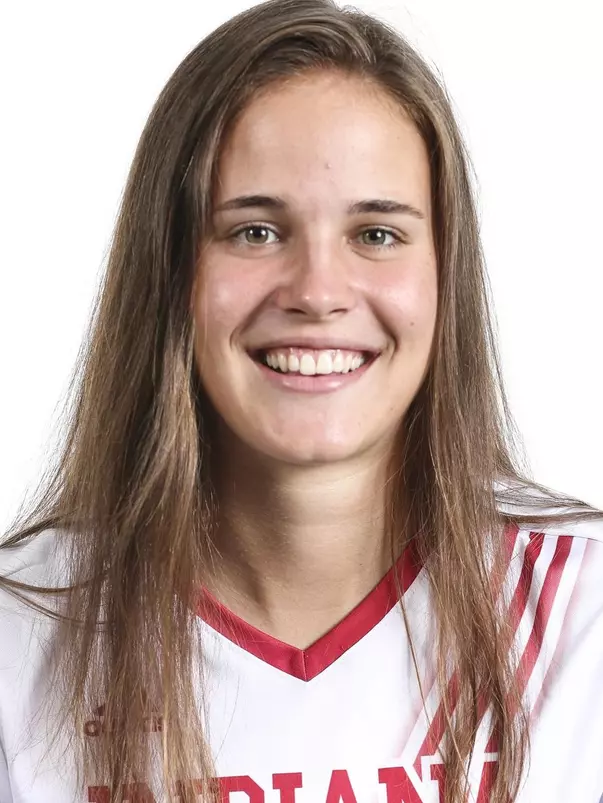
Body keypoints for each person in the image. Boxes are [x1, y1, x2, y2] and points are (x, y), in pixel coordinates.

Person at [0, 0, 602, 801]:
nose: (317, 292)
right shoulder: (20, 634)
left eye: (376, 234)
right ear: (170, 270)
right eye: (255, 231)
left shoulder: (581, 615)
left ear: (443, 273)